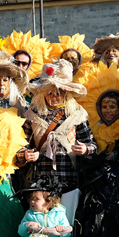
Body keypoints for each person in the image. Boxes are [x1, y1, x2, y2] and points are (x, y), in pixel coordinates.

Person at [19, 60, 97, 192]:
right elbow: (22, 144)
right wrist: (26, 155)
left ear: (66, 92)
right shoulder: (32, 115)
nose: (54, 97)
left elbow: (92, 145)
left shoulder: (76, 114)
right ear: (42, 93)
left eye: (58, 93)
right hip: (40, 179)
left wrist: (85, 149)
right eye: (49, 93)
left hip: (69, 179)